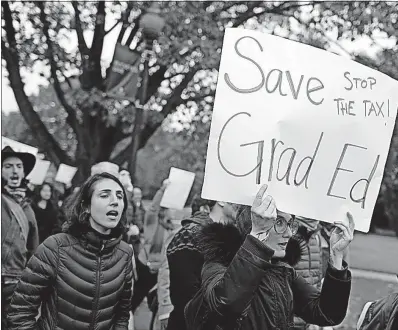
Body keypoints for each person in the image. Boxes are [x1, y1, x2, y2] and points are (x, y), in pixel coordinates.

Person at [185, 184, 354, 330]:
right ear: (255, 223)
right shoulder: (218, 264)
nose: (289, 233)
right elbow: (226, 305)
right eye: (279, 222)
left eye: (290, 224)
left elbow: (327, 314)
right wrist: (257, 238)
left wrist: (336, 257)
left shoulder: (283, 271)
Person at [6, 172, 134, 330]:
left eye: (120, 196)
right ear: (86, 206)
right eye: (104, 195)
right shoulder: (55, 247)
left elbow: (122, 314)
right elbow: (20, 312)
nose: (115, 201)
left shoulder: (125, 253)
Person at [166, 196, 238, 330]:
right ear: (221, 200)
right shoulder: (189, 234)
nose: (241, 204)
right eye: (236, 198)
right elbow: (186, 295)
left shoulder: (235, 238)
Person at [1, 146, 39, 329]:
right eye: (7, 166)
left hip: (16, 283)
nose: (14, 171)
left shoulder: (29, 209)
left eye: (18, 166)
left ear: (24, 173)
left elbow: (34, 250)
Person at [292, 217, 324, 330]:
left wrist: (315, 318)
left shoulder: (317, 237)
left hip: (309, 322)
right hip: (289, 321)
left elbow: (317, 277)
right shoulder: (288, 234)